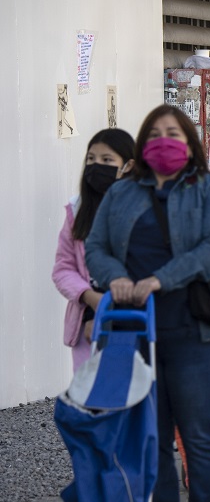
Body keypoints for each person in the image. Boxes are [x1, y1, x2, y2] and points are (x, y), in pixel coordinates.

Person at [85, 105, 210, 500]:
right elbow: (96, 248)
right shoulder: (121, 192)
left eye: (173, 132)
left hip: (197, 332)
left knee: (199, 438)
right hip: (135, 335)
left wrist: (160, 279)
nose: (163, 140)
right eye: (154, 134)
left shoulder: (209, 188)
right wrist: (116, 277)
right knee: (150, 441)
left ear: (190, 142)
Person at [53, 129, 135, 373]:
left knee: (132, 400)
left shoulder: (142, 208)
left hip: (135, 320)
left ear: (128, 165)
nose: (96, 166)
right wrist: (89, 299)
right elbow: (62, 268)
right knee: (92, 400)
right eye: (91, 159)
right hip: (87, 330)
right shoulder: (77, 211)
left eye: (107, 160)